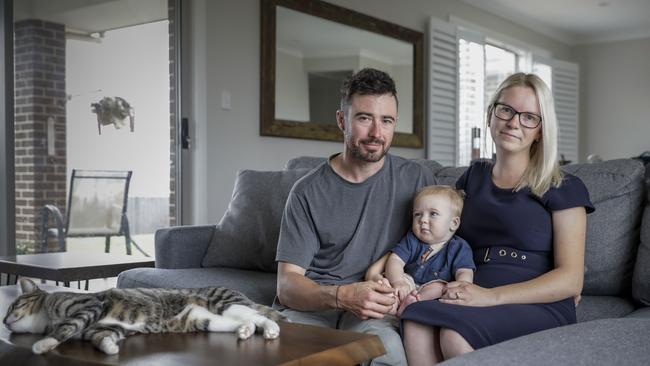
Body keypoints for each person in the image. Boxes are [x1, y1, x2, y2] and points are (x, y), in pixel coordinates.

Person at [400, 73, 594, 365]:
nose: (514, 122)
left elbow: (570, 279)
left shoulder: (564, 187)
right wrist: (392, 270)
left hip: (533, 298)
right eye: (506, 110)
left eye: (529, 117)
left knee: (454, 336)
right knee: (415, 323)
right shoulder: (473, 177)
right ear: (491, 114)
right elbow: (439, 238)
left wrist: (491, 297)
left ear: (541, 130)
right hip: (471, 286)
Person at [274, 68, 435, 366]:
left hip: (376, 311)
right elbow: (287, 287)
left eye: (386, 121)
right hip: (313, 309)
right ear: (341, 120)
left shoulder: (416, 179)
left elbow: (445, 238)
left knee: (391, 359)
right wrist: (342, 295)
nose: (376, 133)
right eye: (364, 118)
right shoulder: (306, 191)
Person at [365, 185, 475, 316]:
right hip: (408, 282)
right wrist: (398, 282)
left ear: (454, 223)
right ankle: (392, 304)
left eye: (433, 214)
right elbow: (395, 260)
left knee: (441, 287)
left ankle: (413, 303)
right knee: (389, 283)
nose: (422, 220)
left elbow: (464, 272)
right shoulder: (412, 239)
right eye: (417, 214)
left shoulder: (459, 247)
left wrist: (462, 286)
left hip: (431, 290)